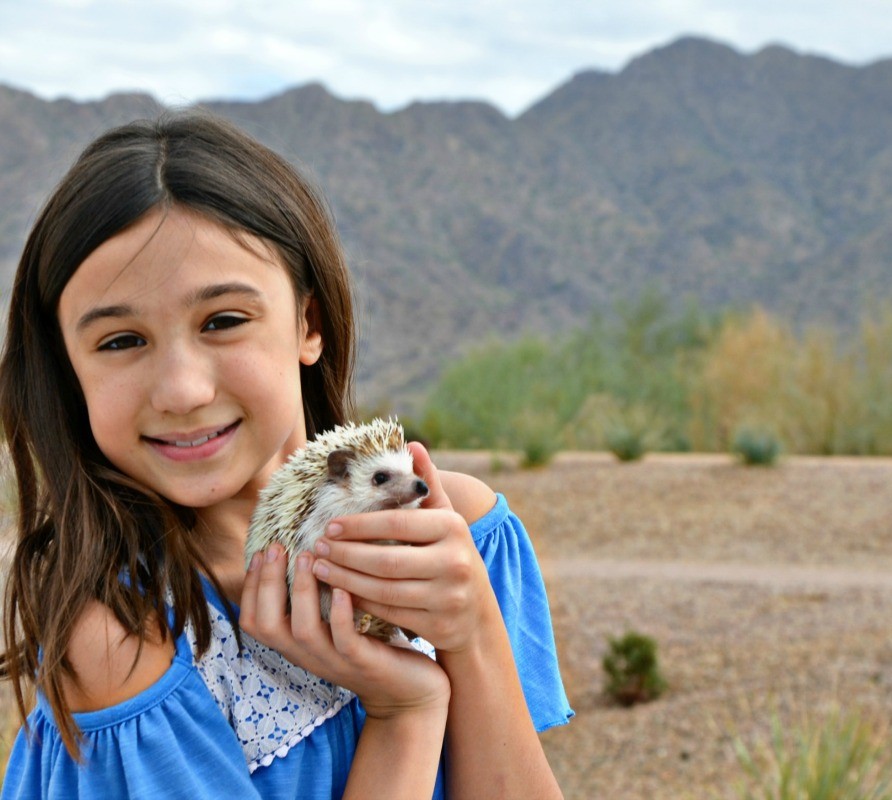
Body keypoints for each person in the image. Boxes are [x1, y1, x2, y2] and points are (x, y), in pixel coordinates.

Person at [0, 111, 572, 798]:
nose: (182, 390)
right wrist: (405, 712)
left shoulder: (461, 532)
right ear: (69, 370)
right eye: (121, 340)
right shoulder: (121, 636)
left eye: (223, 321)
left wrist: (472, 625)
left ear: (309, 324)